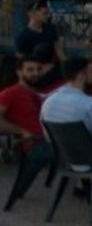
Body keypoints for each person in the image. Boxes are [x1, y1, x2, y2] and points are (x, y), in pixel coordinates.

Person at [0, 56, 54, 201]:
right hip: (35, 144)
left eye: (38, 69)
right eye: (30, 70)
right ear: (19, 72)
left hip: (48, 139)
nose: (35, 73)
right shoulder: (11, 93)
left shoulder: (38, 92)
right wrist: (21, 131)